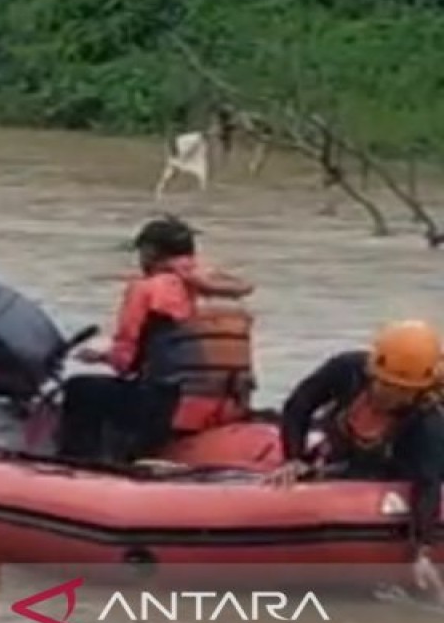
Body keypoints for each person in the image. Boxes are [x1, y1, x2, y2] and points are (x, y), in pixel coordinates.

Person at [265, 320, 444, 603]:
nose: (392, 394)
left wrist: (421, 549)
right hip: (346, 455)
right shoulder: (347, 370)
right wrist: (294, 458)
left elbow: (428, 482)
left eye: (403, 390)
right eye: (386, 385)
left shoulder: (427, 421)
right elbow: (299, 404)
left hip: (396, 465)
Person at [59, 215, 257, 462]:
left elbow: (125, 361)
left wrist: (100, 356)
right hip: (223, 405)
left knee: (80, 389)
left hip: (163, 408)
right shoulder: (210, 288)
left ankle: (77, 463)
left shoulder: (145, 290)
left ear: (151, 252)